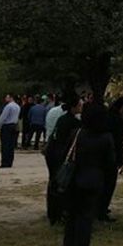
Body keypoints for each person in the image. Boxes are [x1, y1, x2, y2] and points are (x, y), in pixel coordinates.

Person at [61, 103, 115, 246]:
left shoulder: (76, 133)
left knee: (72, 214)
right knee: (85, 216)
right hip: (94, 179)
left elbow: (66, 154)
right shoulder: (106, 137)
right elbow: (110, 163)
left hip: (74, 177)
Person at [46, 95, 83, 225]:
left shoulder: (62, 118)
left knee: (54, 182)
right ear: (74, 107)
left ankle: (53, 212)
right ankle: (61, 211)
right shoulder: (73, 122)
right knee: (62, 182)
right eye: (80, 105)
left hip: (52, 152)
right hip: (60, 155)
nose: (81, 107)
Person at [100, 97, 123, 222]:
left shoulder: (105, 116)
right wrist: (121, 160)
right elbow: (119, 142)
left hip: (100, 154)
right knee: (109, 184)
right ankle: (102, 209)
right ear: (122, 108)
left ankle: (98, 208)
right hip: (111, 155)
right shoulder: (118, 120)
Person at [0, 94, 20, 168]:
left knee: (5, 145)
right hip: (14, 126)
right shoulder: (17, 106)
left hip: (7, 126)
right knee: (11, 145)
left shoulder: (8, 106)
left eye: (7, 97)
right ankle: (10, 162)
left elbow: (3, 117)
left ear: (11, 98)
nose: (5, 98)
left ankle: (5, 162)